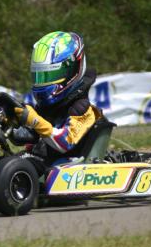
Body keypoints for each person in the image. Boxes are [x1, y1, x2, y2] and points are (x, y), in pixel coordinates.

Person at [13, 31, 102, 164]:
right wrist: (10, 124)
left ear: (71, 71)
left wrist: (34, 120)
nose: (44, 82)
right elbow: (25, 137)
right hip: (40, 164)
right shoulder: (47, 109)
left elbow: (64, 143)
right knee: (3, 164)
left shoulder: (84, 111)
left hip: (69, 169)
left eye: (51, 75)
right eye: (41, 76)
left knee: (18, 168)